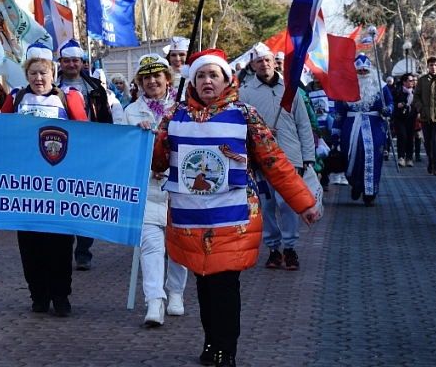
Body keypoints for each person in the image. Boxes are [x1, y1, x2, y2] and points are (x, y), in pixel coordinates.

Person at [149, 48, 319, 367]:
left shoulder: (245, 115)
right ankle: (212, 342)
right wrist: (157, 139)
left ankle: (226, 349)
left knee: (224, 285)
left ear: (227, 80)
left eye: (214, 75)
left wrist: (304, 202)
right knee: (204, 285)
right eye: (201, 75)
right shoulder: (174, 116)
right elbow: (158, 162)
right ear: (192, 81)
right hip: (189, 220)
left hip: (233, 218)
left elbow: (274, 162)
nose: (207, 81)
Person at [0, 44, 88, 316]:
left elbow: (85, 133)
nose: (39, 78)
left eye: (44, 73)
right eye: (34, 73)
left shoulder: (67, 97)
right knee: (30, 244)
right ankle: (38, 294)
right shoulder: (15, 97)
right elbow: (1, 134)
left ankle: (61, 295)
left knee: (59, 242)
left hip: (59, 183)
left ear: (53, 74)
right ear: (27, 75)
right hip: (25, 185)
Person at [238, 42, 315, 271]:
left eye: (267, 60)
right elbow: (239, 126)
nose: (264, 64)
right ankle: (273, 248)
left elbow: (304, 124)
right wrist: (259, 132)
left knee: (288, 204)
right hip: (261, 159)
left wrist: (308, 156)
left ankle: (290, 248)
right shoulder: (244, 93)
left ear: (274, 62)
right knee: (267, 204)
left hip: (289, 156)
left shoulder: (290, 90)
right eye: (259, 61)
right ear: (253, 65)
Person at [123, 53, 187, 326]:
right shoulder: (129, 112)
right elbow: (124, 153)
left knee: (178, 247)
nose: (152, 81)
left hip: (178, 189)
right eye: (146, 77)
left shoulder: (183, 108)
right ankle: (154, 301)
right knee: (150, 246)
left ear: (167, 79)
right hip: (147, 189)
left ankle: (175, 293)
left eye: (156, 76)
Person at [58, 38, 112, 270]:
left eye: (75, 60)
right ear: (60, 62)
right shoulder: (52, 87)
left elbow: (106, 122)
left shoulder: (95, 89)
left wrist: (105, 148)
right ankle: (62, 247)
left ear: (82, 62)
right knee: (61, 202)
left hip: (87, 153)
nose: (71, 64)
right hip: (58, 152)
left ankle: (83, 252)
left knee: (85, 200)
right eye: (67, 60)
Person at [331, 55, 394, 206]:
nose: (364, 74)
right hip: (351, 128)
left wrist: (388, 109)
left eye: (366, 70)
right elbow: (339, 112)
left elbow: (390, 103)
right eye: (360, 71)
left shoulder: (381, 85)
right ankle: (356, 185)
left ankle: (370, 192)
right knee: (351, 157)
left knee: (372, 159)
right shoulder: (344, 87)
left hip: (375, 128)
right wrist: (335, 133)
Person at [413, 56, 436, 176]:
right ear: (428, 66)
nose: (433, 67)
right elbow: (416, 96)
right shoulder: (422, 80)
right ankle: (430, 161)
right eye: (431, 65)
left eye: (435, 65)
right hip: (425, 116)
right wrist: (421, 109)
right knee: (428, 142)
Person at [391, 73, 418, 167]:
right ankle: (401, 157)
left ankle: (409, 158)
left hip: (411, 118)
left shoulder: (415, 91)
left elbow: (419, 103)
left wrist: (419, 112)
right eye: (410, 80)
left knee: (410, 138)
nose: (413, 82)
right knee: (402, 136)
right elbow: (390, 102)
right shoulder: (397, 90)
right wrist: (397, 105)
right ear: (404, 82)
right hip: (399, 118)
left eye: (414, 80)